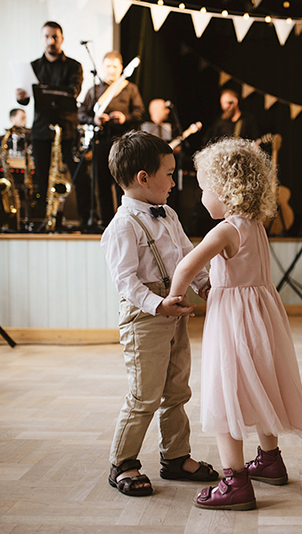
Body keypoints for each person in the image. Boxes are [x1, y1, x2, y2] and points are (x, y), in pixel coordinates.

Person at [168, 138, 302, 511]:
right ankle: (269, 458)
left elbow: (187, 266)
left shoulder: (226, 230)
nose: (201, 198)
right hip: (264, 316)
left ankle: (234, 481)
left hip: (233, 320)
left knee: (226, 390)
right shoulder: (257, 224)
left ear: (225, 189)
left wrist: (175, 295)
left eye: (204, 189)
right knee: (261, 384)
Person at [100, 131, 219, 497]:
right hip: (145, 315)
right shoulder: (123, 225)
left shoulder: (167, 213)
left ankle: (175, 456)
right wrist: (157, 304)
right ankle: (124, 462)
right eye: (169, 173)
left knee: (177, 387)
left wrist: (203, 283)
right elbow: (126, 282)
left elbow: (188, 255)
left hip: (174, 308)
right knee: (144, 395)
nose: (173, 180)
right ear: (143, 178)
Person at [15, 21, 83, 219]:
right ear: (42, 39)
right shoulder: (33, 67)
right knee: (42, 178)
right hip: (41, 130)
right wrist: (21, 96)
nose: (51, 41)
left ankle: (86, 219)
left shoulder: (73, 66)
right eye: (47, 37)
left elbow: (74, 92)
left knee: (79, 175)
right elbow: (26, 98)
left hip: (68, 129)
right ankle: (43, 219)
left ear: (61, 38)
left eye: (55, 37)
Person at [79, 51, 146, 228]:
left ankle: (126, 222)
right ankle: (107, 223)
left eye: (115, 66)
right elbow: (81, 113)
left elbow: (140, 112)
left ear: (121, 68)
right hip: (101, 142)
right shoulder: (95, 91)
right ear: (102, 68)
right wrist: (94, 119)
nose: (111, 70)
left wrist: (125, 117)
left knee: (123, 183)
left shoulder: (130, 88)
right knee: (101, 184)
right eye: (108, 66)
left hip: (123, 143)